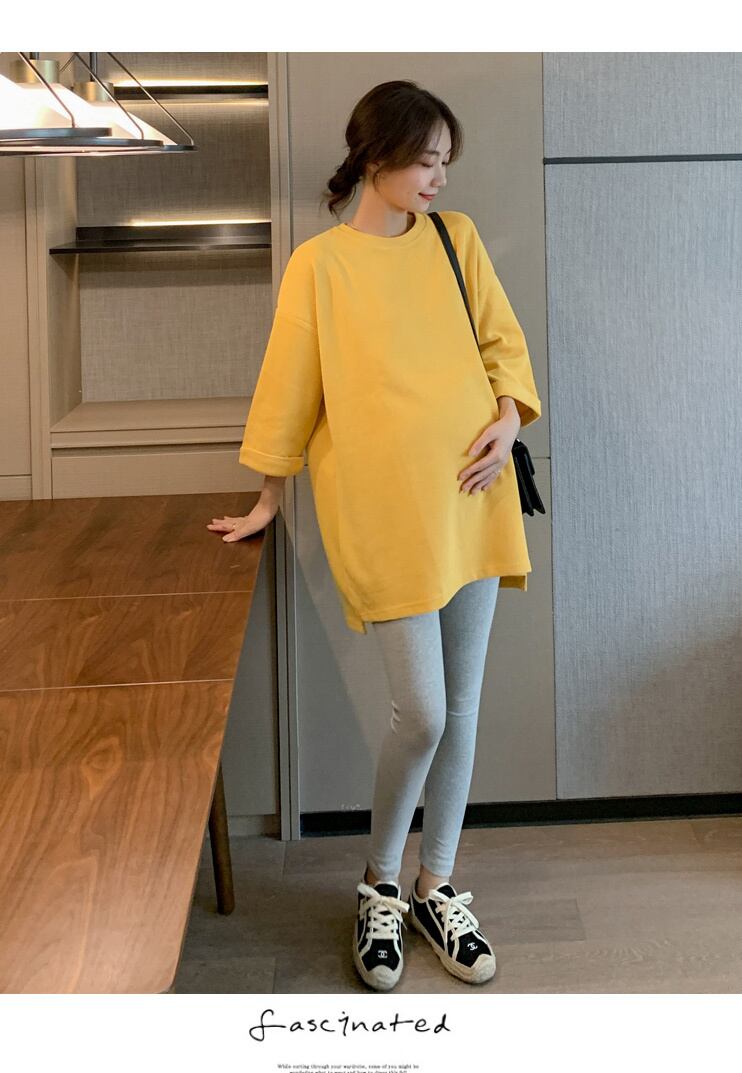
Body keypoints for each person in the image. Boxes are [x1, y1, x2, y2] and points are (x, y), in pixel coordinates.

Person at [207, 79, 541, 992]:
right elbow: (288, 385)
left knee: (460, 708)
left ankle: (437, 884)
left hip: (472, 501)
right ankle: (379, 884)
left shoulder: (455, 239)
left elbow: (504, 347)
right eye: (425, 160)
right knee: (421, 712)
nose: (439, 178)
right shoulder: (320, 266)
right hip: (386, 520)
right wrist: (268, 495)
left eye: (445, 162)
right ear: (376, 157)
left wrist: (508, 418)